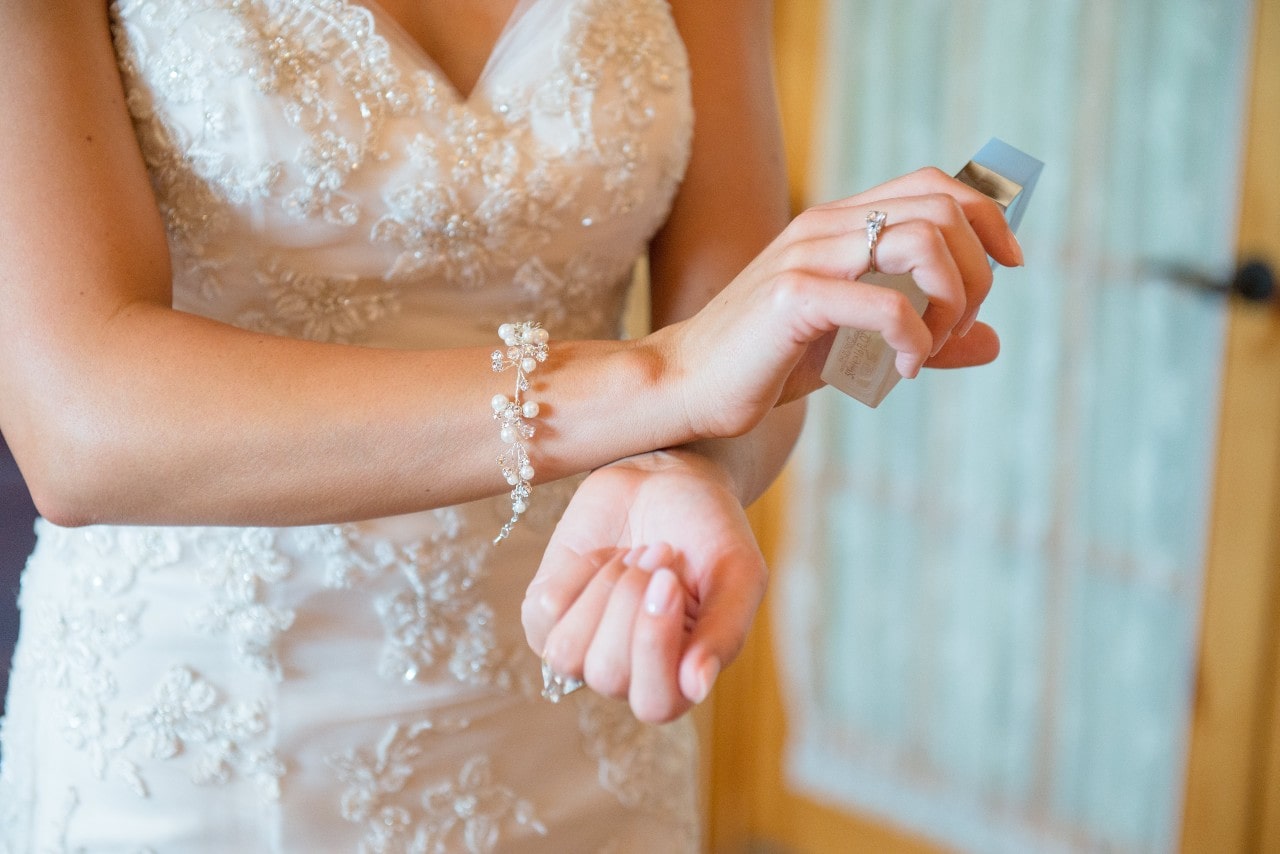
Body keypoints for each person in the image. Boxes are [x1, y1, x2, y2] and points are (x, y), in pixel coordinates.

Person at [0, 0, 1021, 850]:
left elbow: (729, 320)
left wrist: (686, 465)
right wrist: (654, 380)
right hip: (200, 726)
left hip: (588, 670)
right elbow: (77, 421)